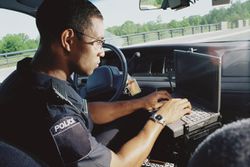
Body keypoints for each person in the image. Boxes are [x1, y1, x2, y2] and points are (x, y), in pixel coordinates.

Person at [0, 0, 191, 166]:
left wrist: (140, 103)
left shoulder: (27, 79)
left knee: (135, 114)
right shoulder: (55, 113)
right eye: (98, 42)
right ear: (68, 40)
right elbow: (120, 165)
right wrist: (160, 119)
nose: (102, 51)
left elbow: (85, 111)